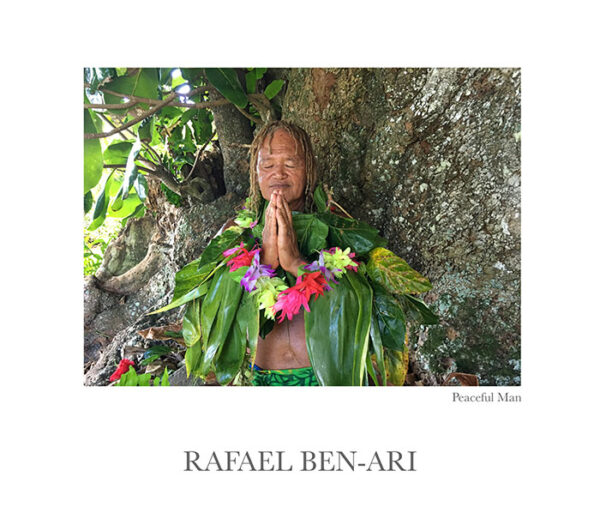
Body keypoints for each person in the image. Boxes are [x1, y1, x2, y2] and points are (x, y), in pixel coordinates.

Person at [245, 120, 319, 386]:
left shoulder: (337, 228)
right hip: (261, 375)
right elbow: (221, 312)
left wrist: (296, 263)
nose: (279, 173)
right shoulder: (234, 234)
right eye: (267, 165)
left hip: (324, 374)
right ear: (256, 173)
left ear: (308, 169)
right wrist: (263, 261)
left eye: (290, 164)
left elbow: (352, 306)